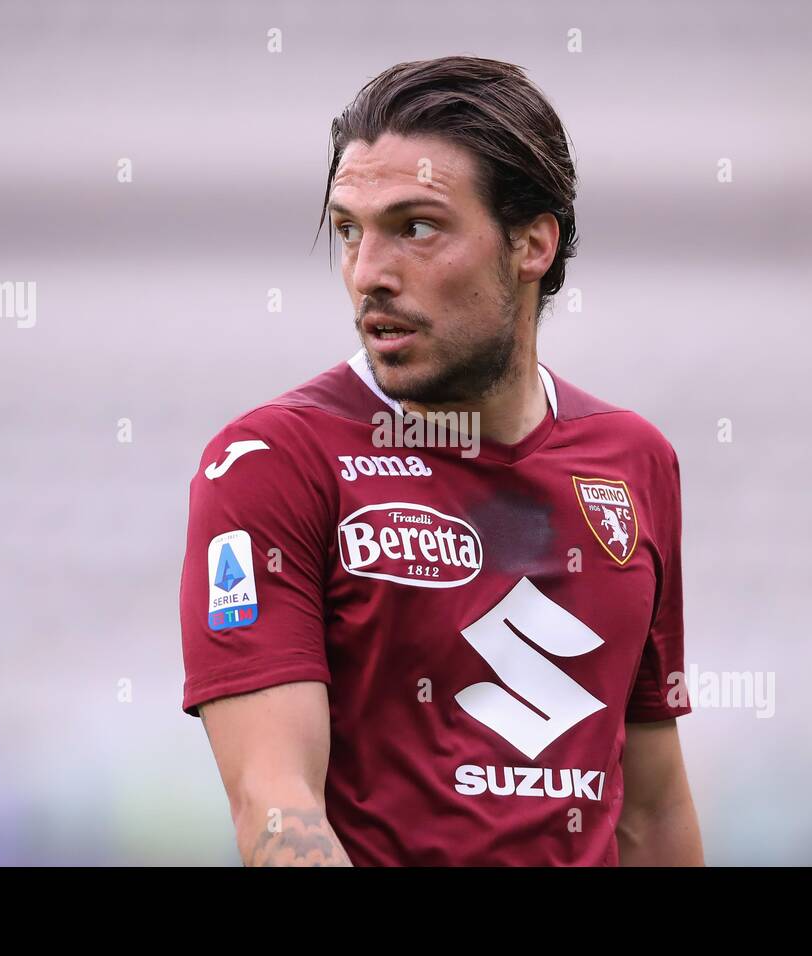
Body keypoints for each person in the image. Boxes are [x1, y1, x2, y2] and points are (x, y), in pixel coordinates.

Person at [179, 55, 703, 866]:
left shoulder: (634, 463)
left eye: (416, 227)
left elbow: (655, 809)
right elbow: (277, 809)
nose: (368, 275)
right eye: (350, 230)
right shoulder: (273, 462)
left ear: (532, 244)